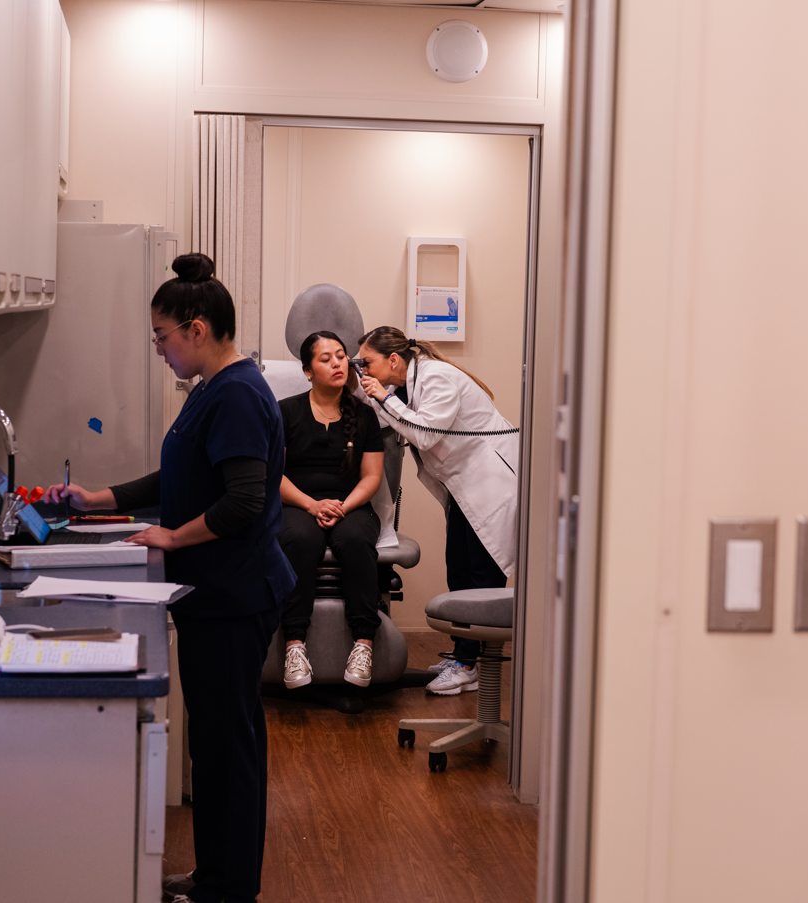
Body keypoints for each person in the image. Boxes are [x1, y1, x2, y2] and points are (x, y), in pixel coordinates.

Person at [41, 253, 293, 903]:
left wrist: (173, 536)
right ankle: (216, 875)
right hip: (215, 593)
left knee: (227, 747)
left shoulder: (236, 394)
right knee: (218, 743)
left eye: (162, 336)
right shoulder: (211, 388)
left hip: (233, 595)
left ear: (196, 328)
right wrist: (99, 498)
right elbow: (179, 473)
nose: (159, 349)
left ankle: (228, 888)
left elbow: (243, 501)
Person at [355, 326, 518, 696]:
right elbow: (389, 419)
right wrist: (373, 395)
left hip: (490, 488)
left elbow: (425, 434)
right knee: (458, 568)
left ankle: (469, 665)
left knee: (481, 576)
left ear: (392, 360)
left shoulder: (437, 377)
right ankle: (462, 655)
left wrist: (382, 396)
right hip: (465, 489)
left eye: (367, 362)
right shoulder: (405, 387)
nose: (363, 369)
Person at [277, 330, 386, 689]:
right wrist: (311, 504)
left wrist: (341, 507)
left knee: (355, 540)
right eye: (326, 359)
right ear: (307, 371)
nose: (338, 363)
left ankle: (364, 644)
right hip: (297, 503)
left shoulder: (364, 415)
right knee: (300, 539)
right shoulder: (285, 411)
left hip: (350, 504)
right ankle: (294, 645)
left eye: (341, 356)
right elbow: (273, 475)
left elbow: (371, 477)